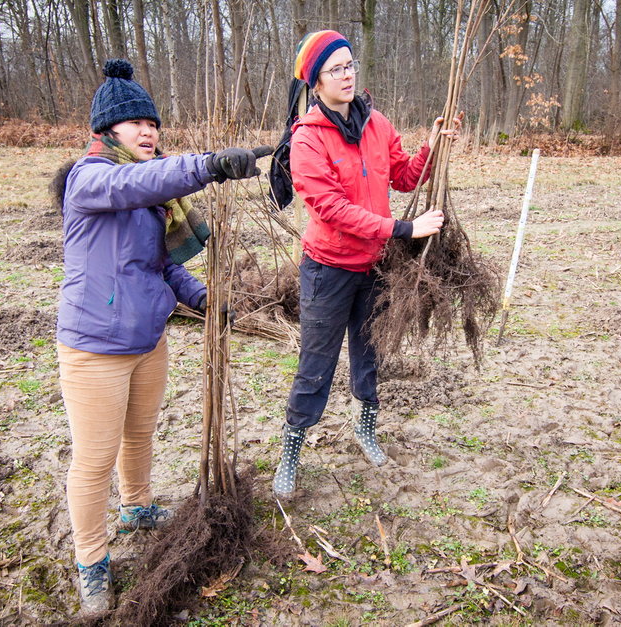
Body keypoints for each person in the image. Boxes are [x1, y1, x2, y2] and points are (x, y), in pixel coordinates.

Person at [52, 59, 268, 613]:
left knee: (139, 433)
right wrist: (209, 165)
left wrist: (205, 300)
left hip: (148, 337)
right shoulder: (93, 178)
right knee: (93, 459)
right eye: (135, 124)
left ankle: (138, 506)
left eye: (153, 123)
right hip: (94, 346)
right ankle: (92, 560)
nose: (148, 131)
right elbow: (136, 180)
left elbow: (161, 266)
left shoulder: (152, 200)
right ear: (107, 132)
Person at [273, 31, 461, 499]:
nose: (347, 74)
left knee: (369, 352)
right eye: (335, 69)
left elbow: (403, 175)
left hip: (373, 267)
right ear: (316, 82)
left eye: (350, 64)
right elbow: (331, 209)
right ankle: (292, 450)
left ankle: (366, 429)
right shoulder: (308, 139)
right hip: (328, 269)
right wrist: (402, 229)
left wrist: (433, 146)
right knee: (316, 362)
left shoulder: (377, 124)